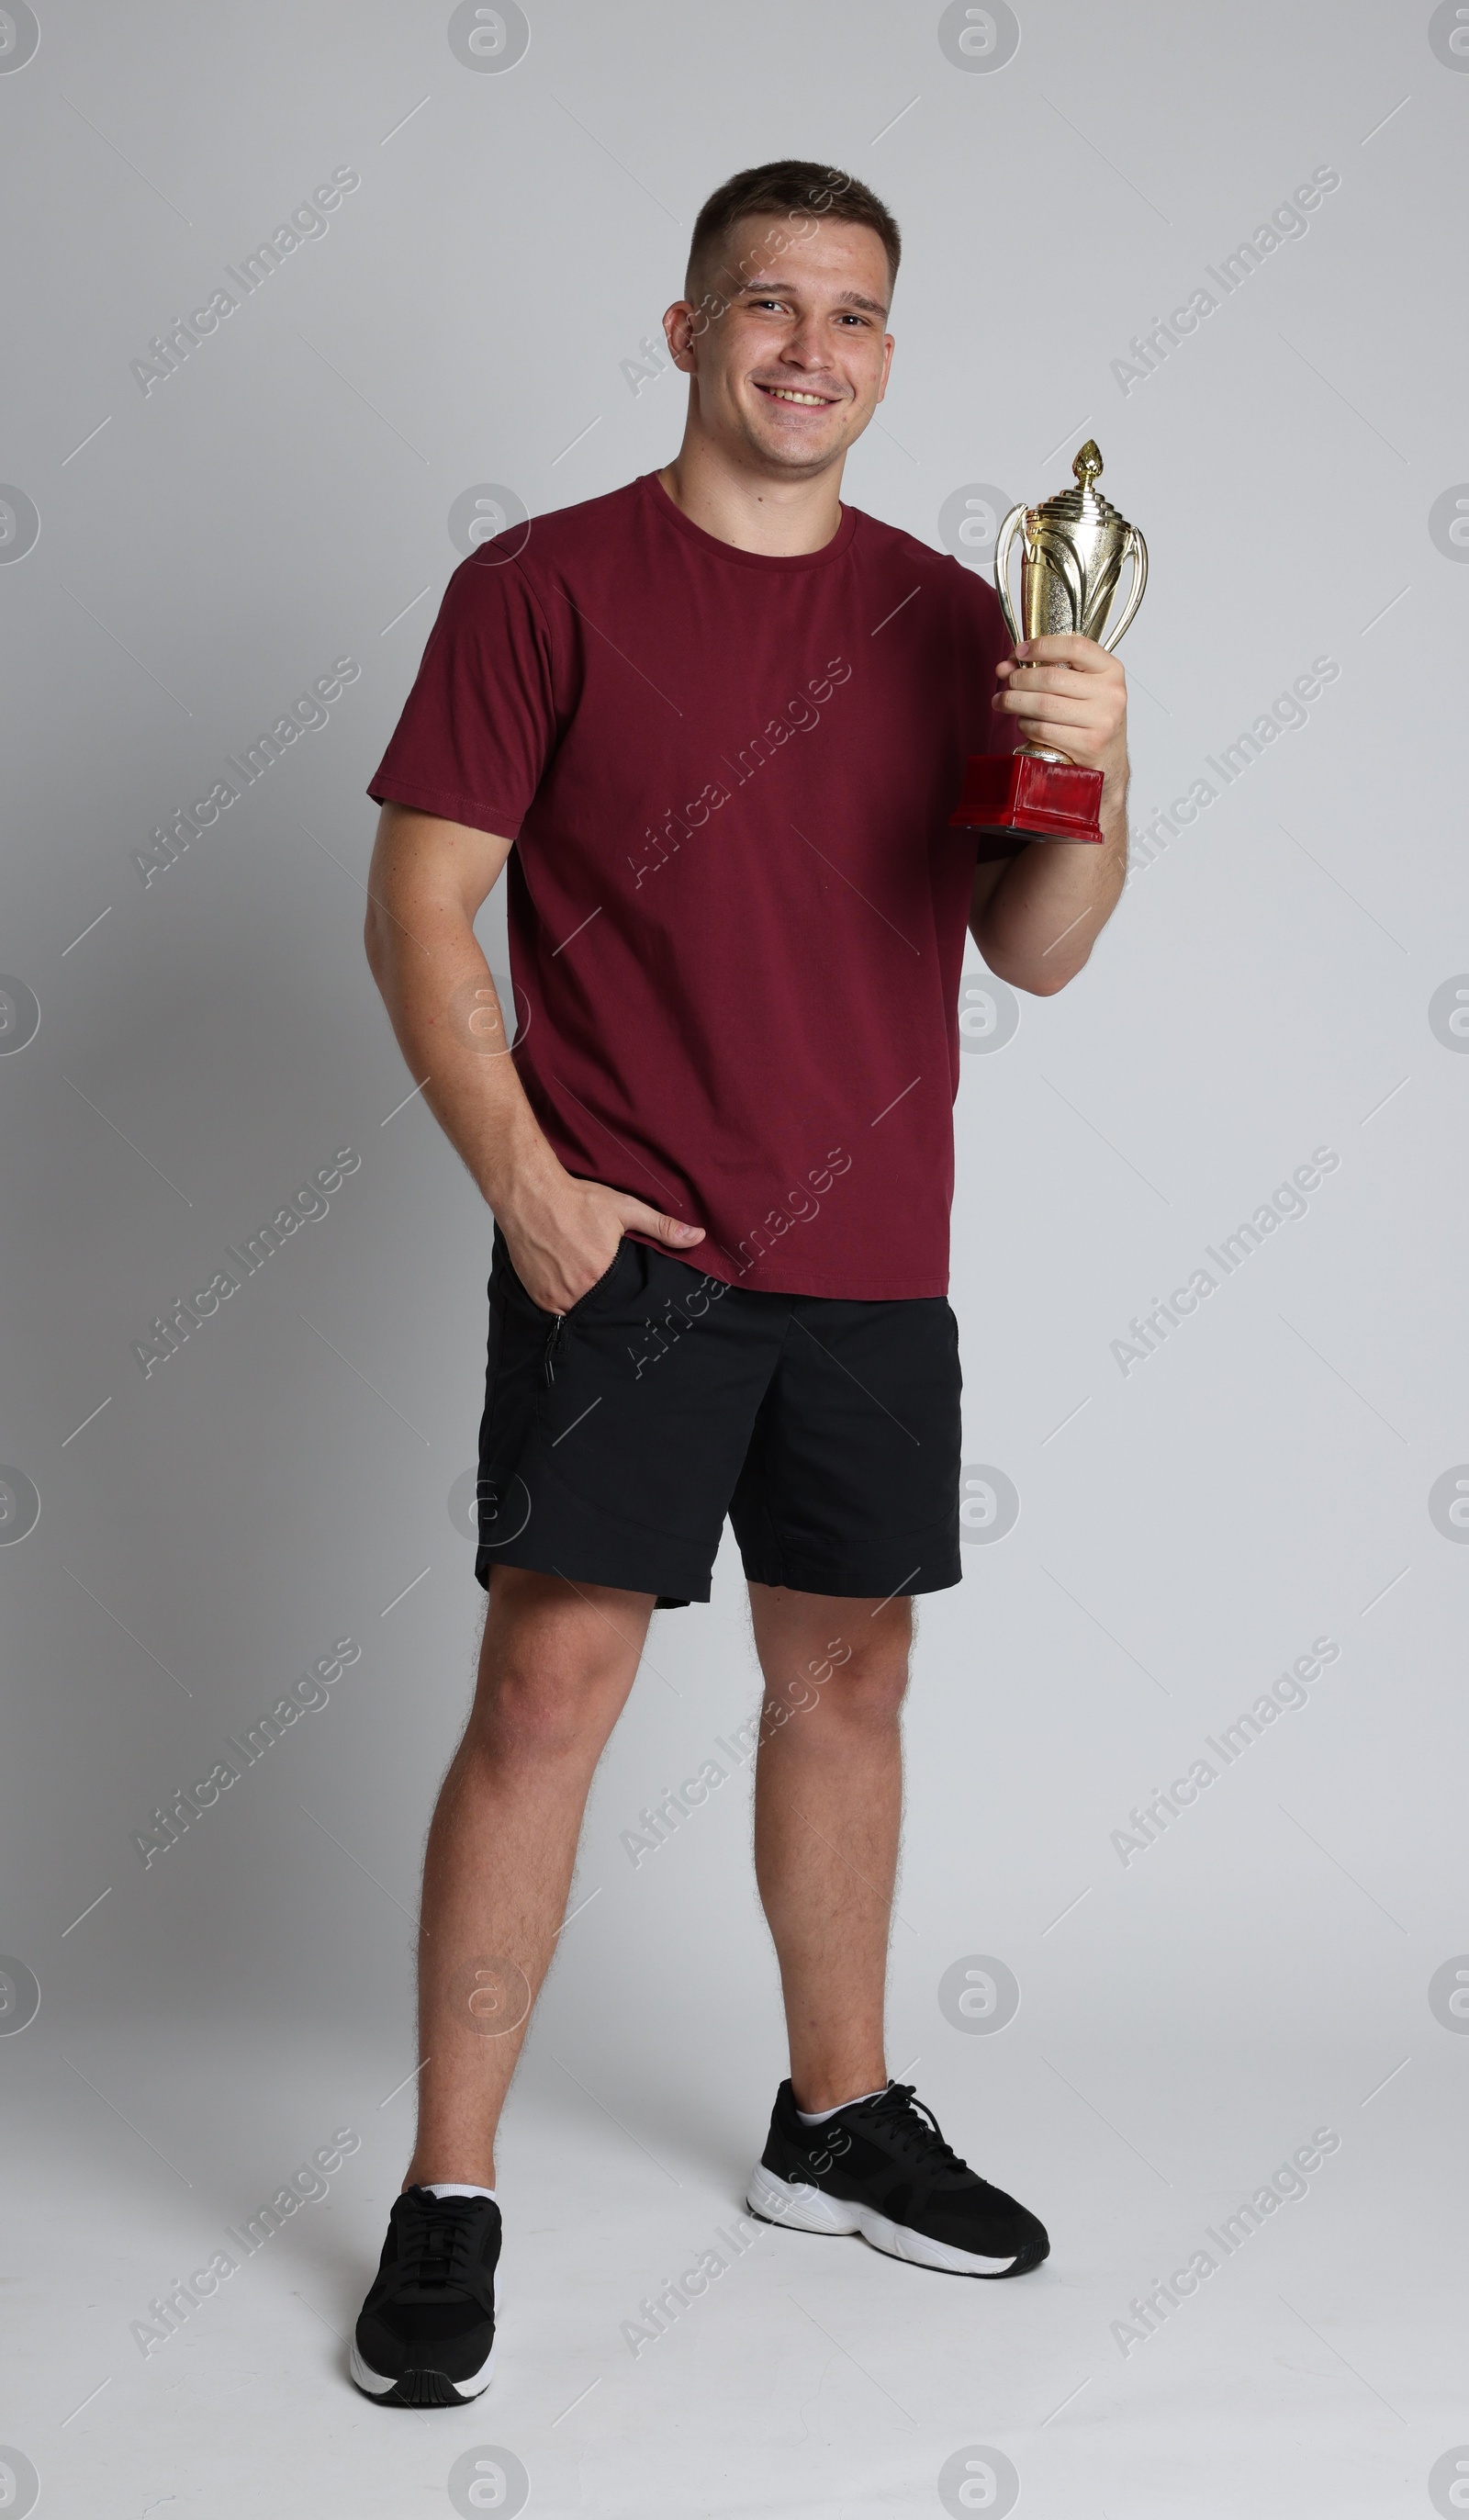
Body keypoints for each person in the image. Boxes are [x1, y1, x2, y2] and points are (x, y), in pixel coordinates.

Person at [350, 158, 1129, 2407]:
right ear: (686, 328)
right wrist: (525, 1180)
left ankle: (835, 2117)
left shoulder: (946, 619)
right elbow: (421, 908)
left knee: (851, 1688)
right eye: (766, 304)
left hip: (878, 1266)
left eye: (854, 315)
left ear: (890, 354)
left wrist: (1102, 768)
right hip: (635, 1255)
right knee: (546, 1699)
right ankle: (450, 2192)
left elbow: (1034, 950)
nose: (810, 346)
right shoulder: (539, 584)